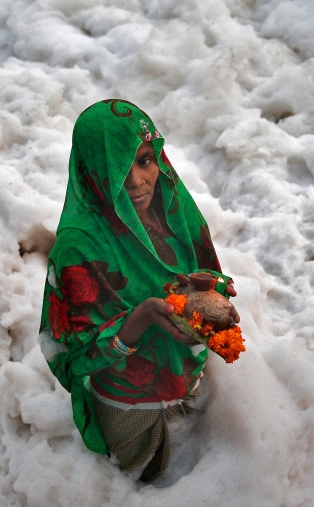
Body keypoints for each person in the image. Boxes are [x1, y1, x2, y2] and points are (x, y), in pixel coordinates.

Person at [39, 99, 237, 482]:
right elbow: (74, 356)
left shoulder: (174, 209)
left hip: (185, 369)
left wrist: (212, 295)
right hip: (129, 400)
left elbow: (210, 272)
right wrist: (142, 316)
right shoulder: (80, 248)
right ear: (91, 171)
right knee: (142, 478)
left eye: (144, 160)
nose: (135, 181)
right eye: (117, 169)